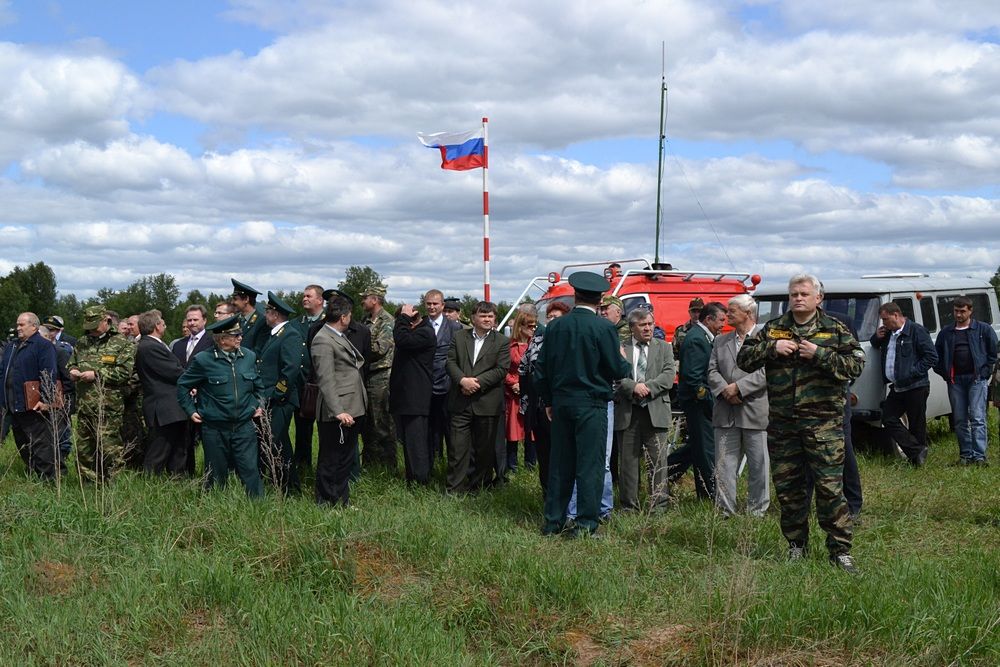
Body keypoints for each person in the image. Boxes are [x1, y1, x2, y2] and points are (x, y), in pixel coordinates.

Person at [738, 274, 866, 574]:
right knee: (789, 490)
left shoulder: (835, 329)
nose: (798, 298)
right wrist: (772, 349)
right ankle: (796, 546)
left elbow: (856, 365)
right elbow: (744, 359)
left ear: (818, 298)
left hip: (823, 427)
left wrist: (819, 354)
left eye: (804, 294)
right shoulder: (773, 329)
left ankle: (840, 551)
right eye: (794, 293)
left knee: (830, 489)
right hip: (783, 426)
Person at [536, 272, 631, 537]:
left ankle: (553, 521)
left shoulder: (555, 327)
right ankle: (585, 524)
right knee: (590, 465)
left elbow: (541, 369)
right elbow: (617, 368)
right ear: (600, 299)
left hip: (562, 402)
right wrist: (624, 361)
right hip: (592, 404)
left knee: (560, 464)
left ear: (575, 295)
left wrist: (549, 400)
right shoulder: (604, 329)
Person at [177, 315, 264, 496]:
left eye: (240, 334)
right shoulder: (203, 360)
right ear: (222, 339)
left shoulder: (249, 356)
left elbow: (259, 385)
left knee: (250, 470)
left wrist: (259, 404)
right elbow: (183, 385)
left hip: (244, 426)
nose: (241, 337)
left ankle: (257, 508)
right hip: (214, 428)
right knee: (216, 473)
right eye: (236, 335)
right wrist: (190, 410)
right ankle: (215, 507)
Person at [707, 294, 770, 517]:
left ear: (748, 313)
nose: (727, 314)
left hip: (754, 410)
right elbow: (712, 371)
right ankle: (725, 511)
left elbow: (768, 372)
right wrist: (726, 390)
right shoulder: (720, 341)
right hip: (725, 412)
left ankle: (757, 511)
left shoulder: (766, 339)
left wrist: (739, 388)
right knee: (724, 466)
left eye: (732, 310)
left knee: (758, 465)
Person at [614, 307, 676, 512]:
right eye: (643, 325)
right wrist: (633, 387)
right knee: (628, 463)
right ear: (632, 327)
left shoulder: (664, 347)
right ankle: (628, 506)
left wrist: (647, 388)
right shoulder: (621, 348)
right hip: (628, 412)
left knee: (658, 461)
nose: (648, 328)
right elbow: (616, 375)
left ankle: (659, 506)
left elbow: (668, 376)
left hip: (655, 409)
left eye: (650, 324)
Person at [445, 301, 510, 493]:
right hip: (460, 401)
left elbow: (501, 369)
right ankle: (454, 489)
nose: (487, 319)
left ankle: (479, 488)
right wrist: (463, 381)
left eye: (490, 316)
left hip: (487, 403)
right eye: (483, 316)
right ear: (473, 318)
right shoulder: (459, 337)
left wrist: (476, 383)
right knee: (457, 450)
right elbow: (450, 362)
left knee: (484, 451)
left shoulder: (502, 341)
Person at [68, 305, 137, 482]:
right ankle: (89, 484)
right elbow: (71, 363)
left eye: (95, 326)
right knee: (84, 448)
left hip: (108, 407)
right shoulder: (82, 342)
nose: (91, 331)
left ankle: (115, 483)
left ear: (106, 321)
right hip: (84, 406)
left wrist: (96, 375)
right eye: (88, 327)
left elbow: (124, 373)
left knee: (110, 448)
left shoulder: (121, 343)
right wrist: (74, 371)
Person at [311, 297, 367, 506]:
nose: (350, 319)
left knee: (344, 459)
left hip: (352, 406)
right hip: (338, 410)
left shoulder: (337, 336)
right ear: (343, 317)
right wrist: (338, 411)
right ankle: (326, 502)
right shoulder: (323, 339)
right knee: (331, 459)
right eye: (349, 315)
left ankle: (340, 500)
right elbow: (325, 379)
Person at [670, 302, 726, 500]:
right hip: (698, 403)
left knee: (696, 447)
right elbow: (694, 379)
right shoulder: (696, 339)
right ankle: (709, 495)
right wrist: (710, 402)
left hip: (699, 402)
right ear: (708, 319)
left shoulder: (704, 336)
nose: (723, 324)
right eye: (720, 320)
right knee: (705, 450)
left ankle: (663, 472)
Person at [870, 302, 938, 466]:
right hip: (897, 386)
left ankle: (917, 461)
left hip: (916, 385)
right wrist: (876, 337)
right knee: (889, 418)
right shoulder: (888, 333)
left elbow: (931, 357)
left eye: (885, 319)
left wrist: (913, 372)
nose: (884, 323)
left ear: (896, 315)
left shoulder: (916, 330)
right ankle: (917, 451)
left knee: (916, 424)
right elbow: (875, 345)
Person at [933, 296, 997, 466]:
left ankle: (979, 456)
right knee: (960, 419)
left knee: (977, 417)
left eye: (962, 311)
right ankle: (966, 455)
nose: (959, 314)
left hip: (976, 379)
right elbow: (936, 355)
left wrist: (985, 372)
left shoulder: (983, 329)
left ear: (970, 311)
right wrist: (944, 373)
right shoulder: (946, 332)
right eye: (956, 311)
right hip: (955, 380)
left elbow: (993, 352)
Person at [0, 312, 63, 479]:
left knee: (41, 445)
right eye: (17, 325)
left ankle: (49, 480)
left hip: (34, 405)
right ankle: (33, 474)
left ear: (34, 326)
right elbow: (3, 373)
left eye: (22, 325)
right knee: (22, 444)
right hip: (13, 404)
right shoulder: (11, 346)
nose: (18, 328)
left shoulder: (43, 346)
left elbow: (48, 373)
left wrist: (46, 400)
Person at [519, 300, 570, 499]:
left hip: (564, 408)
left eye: (556, 317)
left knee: (564, 456)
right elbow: (524, 368)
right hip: (540, 408)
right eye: (549, 317)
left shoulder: (571, 340)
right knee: (545, 456)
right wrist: (527, 403)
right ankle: (548, 497)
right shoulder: (538, 338)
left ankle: (566, 501)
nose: (551, 320)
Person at [257, 292, 304, 494]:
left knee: (277, 443)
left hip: (280, 400)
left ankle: (289, 487)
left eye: (267, 311)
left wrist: (277, 394)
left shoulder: (290, 334)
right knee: (277, 442)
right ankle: (285, 485)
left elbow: (291, 368)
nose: (265, 315)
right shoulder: (276, 334)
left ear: (274, 314)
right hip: (271, 398)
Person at [134, 310, 190, 475]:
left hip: (168, 407)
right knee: (160, 449)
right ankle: (149, 482)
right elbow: (174, 371)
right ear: (157, 326)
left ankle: (176, 480)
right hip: (165, 406)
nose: (164, 326)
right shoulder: (150, 346)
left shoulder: (149, 344)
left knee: (177, 447)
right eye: (163, 323)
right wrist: (195, 379)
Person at [390, 303, 437, 484]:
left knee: (416, 442)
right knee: (409, 441)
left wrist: (403, 318)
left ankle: (420, 480)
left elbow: (401, 339)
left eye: (403, 321)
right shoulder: (414, 332)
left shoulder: (425, 332)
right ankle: (412, 477)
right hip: (405, 397)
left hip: (416, 397)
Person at [360, 282, 396, 470]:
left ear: (374, 300)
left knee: (382, 422)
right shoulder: (365, 320)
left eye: (365, 298)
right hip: (366, 375)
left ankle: (388, 465)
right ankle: (369, 462)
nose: (362, 301)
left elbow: (381, 348)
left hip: (381, 377)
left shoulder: (386, 321)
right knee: (367, 423)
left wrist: (358, 347)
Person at [424, 289, 463, 461]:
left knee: (450, 427)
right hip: (425, 385)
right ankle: (432, 464)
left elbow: (459, 356)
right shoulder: (420, 325)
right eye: (428, 304)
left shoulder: (455, 328)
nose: (432, 307)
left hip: (448, 384)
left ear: (442, 305)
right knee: (430, 429)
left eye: (435, 304)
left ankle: (453, 464)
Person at [291, 284, 326, 471]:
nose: (304, 299)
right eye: (303, 296)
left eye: (309, 296)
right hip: (301, 384)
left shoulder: (329, 321)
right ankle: (302, 466)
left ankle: (325, 466)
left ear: (320, 300)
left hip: (322, 383)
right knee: (302, 429)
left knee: (325, 431)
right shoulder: (296, 323)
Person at [504, 307, 538, 472]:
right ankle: (512, 466)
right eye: (530, 326)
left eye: (534, 326)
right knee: (513, 430)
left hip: (531, 392)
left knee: (531, 430)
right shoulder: (509, 346)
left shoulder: (537, 344)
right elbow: (503, 369)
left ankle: (531, 465)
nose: (533, 329)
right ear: (520, 326)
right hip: (514, 394)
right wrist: (513, 383)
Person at [38, 323, 75, 458]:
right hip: (42, 402)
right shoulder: (37, 353)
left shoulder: (60, 352)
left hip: (59, 403)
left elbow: (68, 381)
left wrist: (67, 406)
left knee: (61, 438)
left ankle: (61, 464)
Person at [231, 279, 269, 353]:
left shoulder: (262, 322)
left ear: (246, 299)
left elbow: (258, 350)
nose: (232, 302)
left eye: (235, 299)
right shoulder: (235, 321)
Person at [672, 297, 705, 365]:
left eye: (699, 312)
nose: (696, 315)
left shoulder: (710, 330)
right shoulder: (680, 331)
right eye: (694, 311)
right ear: (689, 312)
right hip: (686, 371)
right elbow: (674, 354)